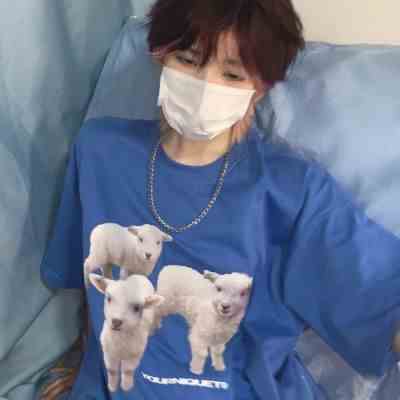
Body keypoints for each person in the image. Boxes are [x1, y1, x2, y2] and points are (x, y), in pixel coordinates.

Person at [40, 0, 400, 399]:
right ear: (160, 55)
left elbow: (380, 294)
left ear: (260, 87)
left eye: (232, 74)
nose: (205, 85)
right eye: (188, 60)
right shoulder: (100, 152)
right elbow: (88, 284)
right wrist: (79, 364)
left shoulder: (291, 189)